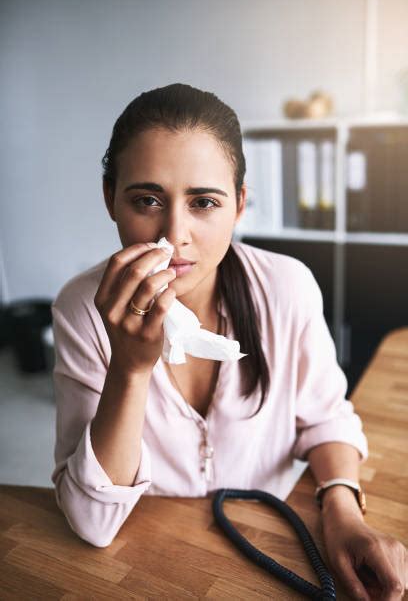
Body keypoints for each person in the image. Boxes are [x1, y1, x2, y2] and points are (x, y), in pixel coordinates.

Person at [51, 83, 406, 599]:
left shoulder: (288, 286)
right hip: (155, 565)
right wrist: (128, 368)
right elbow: (92, 522)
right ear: (110, 199)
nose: (175, 235)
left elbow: (326, 418)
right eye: (147, 199)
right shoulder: (81, 309)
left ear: (239, 205)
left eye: (204, 202)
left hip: (275, 545)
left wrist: (343, 514)